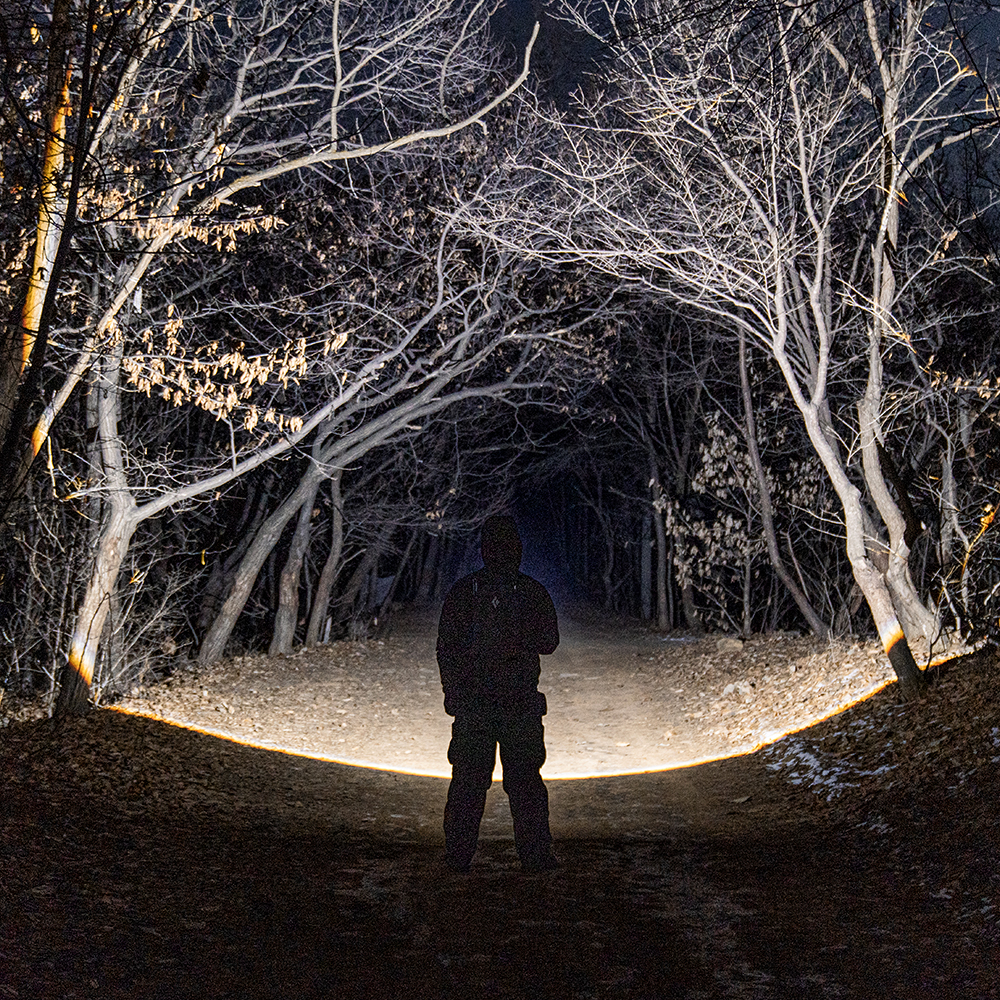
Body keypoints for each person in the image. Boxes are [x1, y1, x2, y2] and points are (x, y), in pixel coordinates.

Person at [436, 514, 560, 873]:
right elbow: (549, 642)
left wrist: (453, 691)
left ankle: (459, 855)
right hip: (512, 703)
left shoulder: (466, 591)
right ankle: (533, 855)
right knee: (519, 783)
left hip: (484, 704)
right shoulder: (530, 592)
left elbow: (446, 648)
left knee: (473, 783)